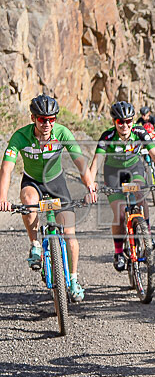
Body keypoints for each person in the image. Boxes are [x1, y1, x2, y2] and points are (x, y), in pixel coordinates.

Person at [0, 95, 98, 301]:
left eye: (51, 119)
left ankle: (73, 279)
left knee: (70, 236)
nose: (47, 124)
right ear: (33, 118)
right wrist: (2, 198)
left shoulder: (62, 133)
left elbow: (80, 161)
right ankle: (35, 245)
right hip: (32, 181)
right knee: (28, 201)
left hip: (56, 182)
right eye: (43, 119)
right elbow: (7, 169)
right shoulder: (20, 136)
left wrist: (90, 185)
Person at [88, 101, 155, 271]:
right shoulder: (107, 137)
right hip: (113, 173)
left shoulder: (140, 132)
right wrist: (91, 184)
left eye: (128, 121)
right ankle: (118, 252)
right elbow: (96, 162)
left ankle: (148, 236)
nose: (125, 125)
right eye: (120, 122)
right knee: (120, 213)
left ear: (133, 121)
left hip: (134, 169)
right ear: (114, 122)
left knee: (139, 195)